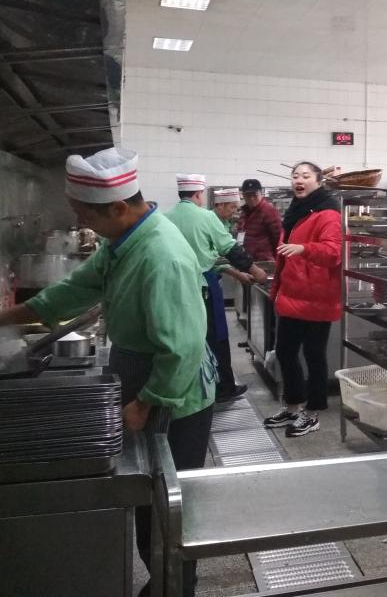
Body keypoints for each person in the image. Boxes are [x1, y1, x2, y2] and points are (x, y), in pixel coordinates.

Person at [0, 147, 215, 597]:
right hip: (142, 375)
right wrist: (10, 316)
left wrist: (145, 403)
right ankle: (164, 584)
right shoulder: (123, 242)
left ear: (118, 207)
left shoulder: (162, 255)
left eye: (86, 215)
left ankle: (176, 588)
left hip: (173, 392)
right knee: (150, 508)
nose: (82, 223)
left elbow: (183, 349)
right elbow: (77, 288)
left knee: (167, 513)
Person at [166, 174, 267, 403]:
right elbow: (230, 249)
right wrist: (255, 270)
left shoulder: (167, 218)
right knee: (215, 335)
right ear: (198, 194)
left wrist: (236, 273)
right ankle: (223, 387)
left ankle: (191, 385)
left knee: (188, 336)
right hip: (204, 286)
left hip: (177, 287)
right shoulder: (205, 217)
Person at [263, 161, 341, 437]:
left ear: (318, 181)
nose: (299, 180)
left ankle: (313, 413)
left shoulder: (328, 212)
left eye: (306, 176)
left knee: (313, 355)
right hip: (292, 294)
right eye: (295, 176)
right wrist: (276, 290)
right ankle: (293, 406)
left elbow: (333, 252)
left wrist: (304, 249)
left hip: (317, 296)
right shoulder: (297, 211)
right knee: (285, 352)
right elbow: (283, 258)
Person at [212, 188, 252, 286]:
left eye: (236, 208)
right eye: (232, 207)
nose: (234, 211)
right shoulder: (212, 223)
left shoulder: (225, 223)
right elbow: (213, 258)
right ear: (221, 205)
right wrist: (237, 274)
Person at [239, 178, 283, 262]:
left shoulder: (269, 211)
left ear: (261, 193)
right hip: (247, 259)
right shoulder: (243, 212)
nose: (252, 198)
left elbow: (278, 238)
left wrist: (276, 259)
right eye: (248, 195)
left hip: (264, 260)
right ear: (243, 196)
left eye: (255, 195)